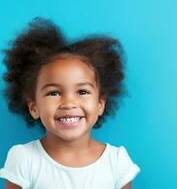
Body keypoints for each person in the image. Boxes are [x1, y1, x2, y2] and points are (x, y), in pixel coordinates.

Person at [0, 17, 140, 189]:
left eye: (82, 92)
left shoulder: (117, 161)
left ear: (100, 104)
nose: (69, 103)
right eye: (54, 93)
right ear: (34, 107)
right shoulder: (23, 158)